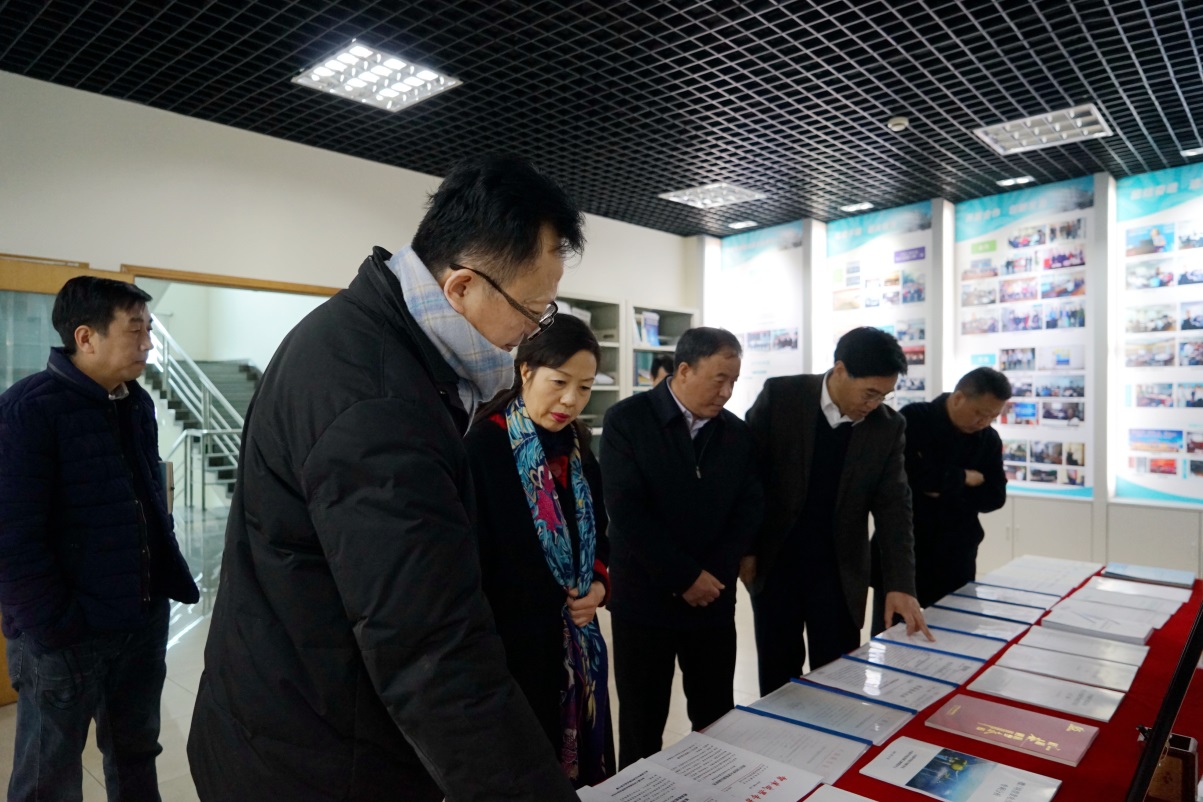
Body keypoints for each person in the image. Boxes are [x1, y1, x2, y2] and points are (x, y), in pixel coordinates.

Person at [188, 154, 586, 801]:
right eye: (531, 312)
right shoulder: (377, 403)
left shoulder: (358, 334)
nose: (529, 335)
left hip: (286, 715)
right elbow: (431, 650)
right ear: (462, 288)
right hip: (312, 762)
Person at [0, 276, 200, 801]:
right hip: (65, 635)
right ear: (85, 337)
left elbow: (147, 503)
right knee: (47, 774)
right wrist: (54, 626)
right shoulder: (27, 410)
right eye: (135, 330)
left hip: (139, 619)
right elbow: (11, 541)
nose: (148, 343)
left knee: (136, 751)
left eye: (149, 329)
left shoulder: (136, 403)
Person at [600, 327, 763, 768]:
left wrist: (712, 576)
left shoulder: (737, 435)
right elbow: (626, 511)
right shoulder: (627, 421)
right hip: (643, 601)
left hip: (712, 600)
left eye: (734, 381)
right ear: (685, 370)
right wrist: (684, 577)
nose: (727, 393)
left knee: (716, 719)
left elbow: (748, 511)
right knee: (642, 722)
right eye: (719, 379)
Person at [465, 314, 614, 788]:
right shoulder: (483, 446)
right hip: (510, 650)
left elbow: (600, 535)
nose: (571, 400)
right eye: (560, 382)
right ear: (526, 370)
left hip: (574, 646)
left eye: (585, 388)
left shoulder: (577, 446)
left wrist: (597, 586)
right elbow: (469, 559)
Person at [744, 326, 930, 697]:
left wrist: (900, 584)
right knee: (778, 682)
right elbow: (748, 478)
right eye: (870, 393)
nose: (874, 404)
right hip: (777, 566)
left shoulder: (887, 427)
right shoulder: (782, 397)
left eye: (884, 396)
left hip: (839, 574)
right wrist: (745, 551)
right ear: (841, 370)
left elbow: (895, 509)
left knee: (839, 682)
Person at [871, 368, 1010, 631]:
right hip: (904, 550)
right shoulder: (914, 418)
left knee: (957, 633)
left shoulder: (988, 439)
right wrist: (963, 478)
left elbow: (994, 497)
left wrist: (941, 485)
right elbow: (905, 480)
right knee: (890, 635)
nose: (984, 422)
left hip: (956, 554)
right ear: (958, 398)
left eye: (993, 416)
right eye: (980, 413)